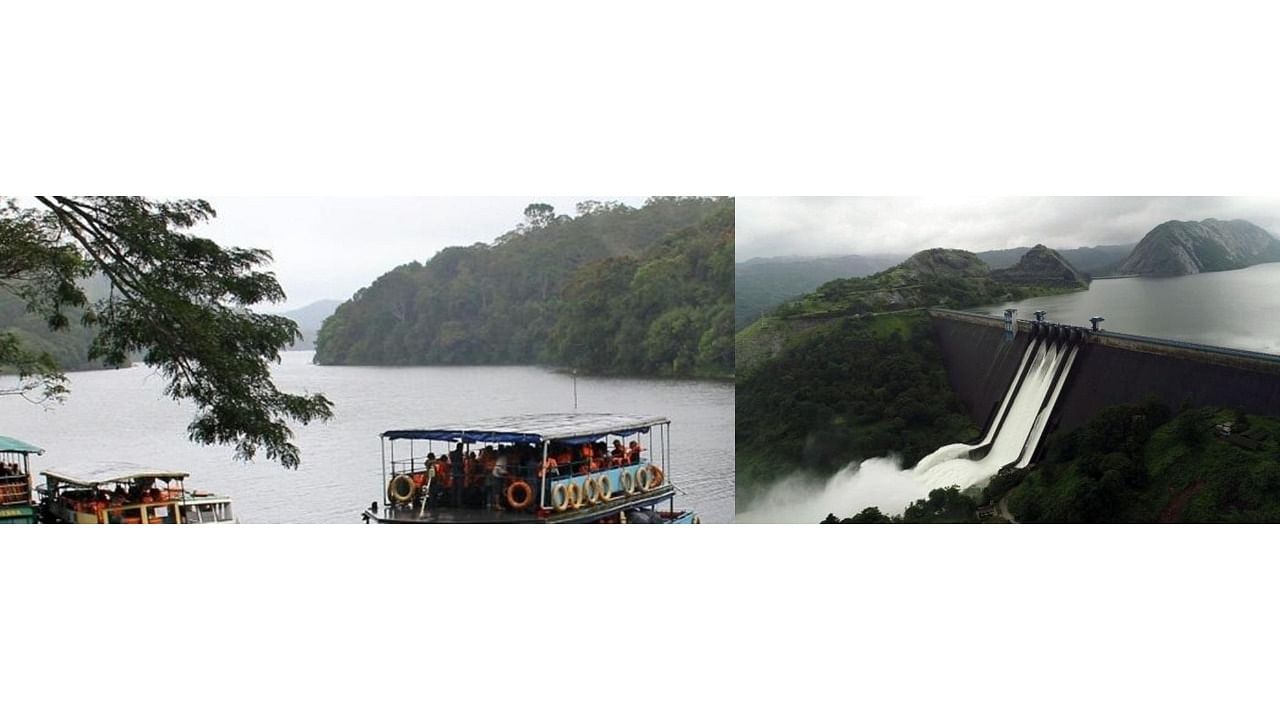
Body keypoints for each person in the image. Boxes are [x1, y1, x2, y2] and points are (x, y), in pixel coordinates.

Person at [449, 442, 465, 506]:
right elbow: (461, 464)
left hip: (453, 472)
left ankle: (453, 502)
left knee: (454, 488)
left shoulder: (452, 453)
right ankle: (459, 503)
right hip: (459, 473)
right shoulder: (460, 454)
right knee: (459, 489)